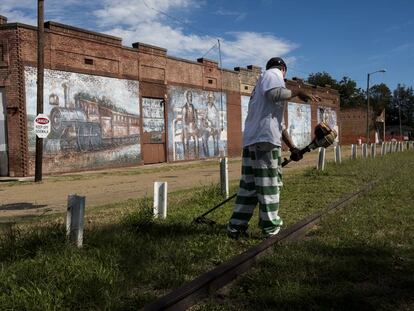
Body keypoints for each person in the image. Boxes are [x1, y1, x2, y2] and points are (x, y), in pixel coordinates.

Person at [227, 57, 319, 238]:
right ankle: (271, 230)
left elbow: (279, 124)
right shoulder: (272, 74)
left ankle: (236, 227)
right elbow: (275, 93)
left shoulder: (260, 88)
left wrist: (292, 147)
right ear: (283, 70)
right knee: (269, 185)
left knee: (250, 187)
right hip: (265, 142)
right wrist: (298, 92)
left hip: (253, 142)